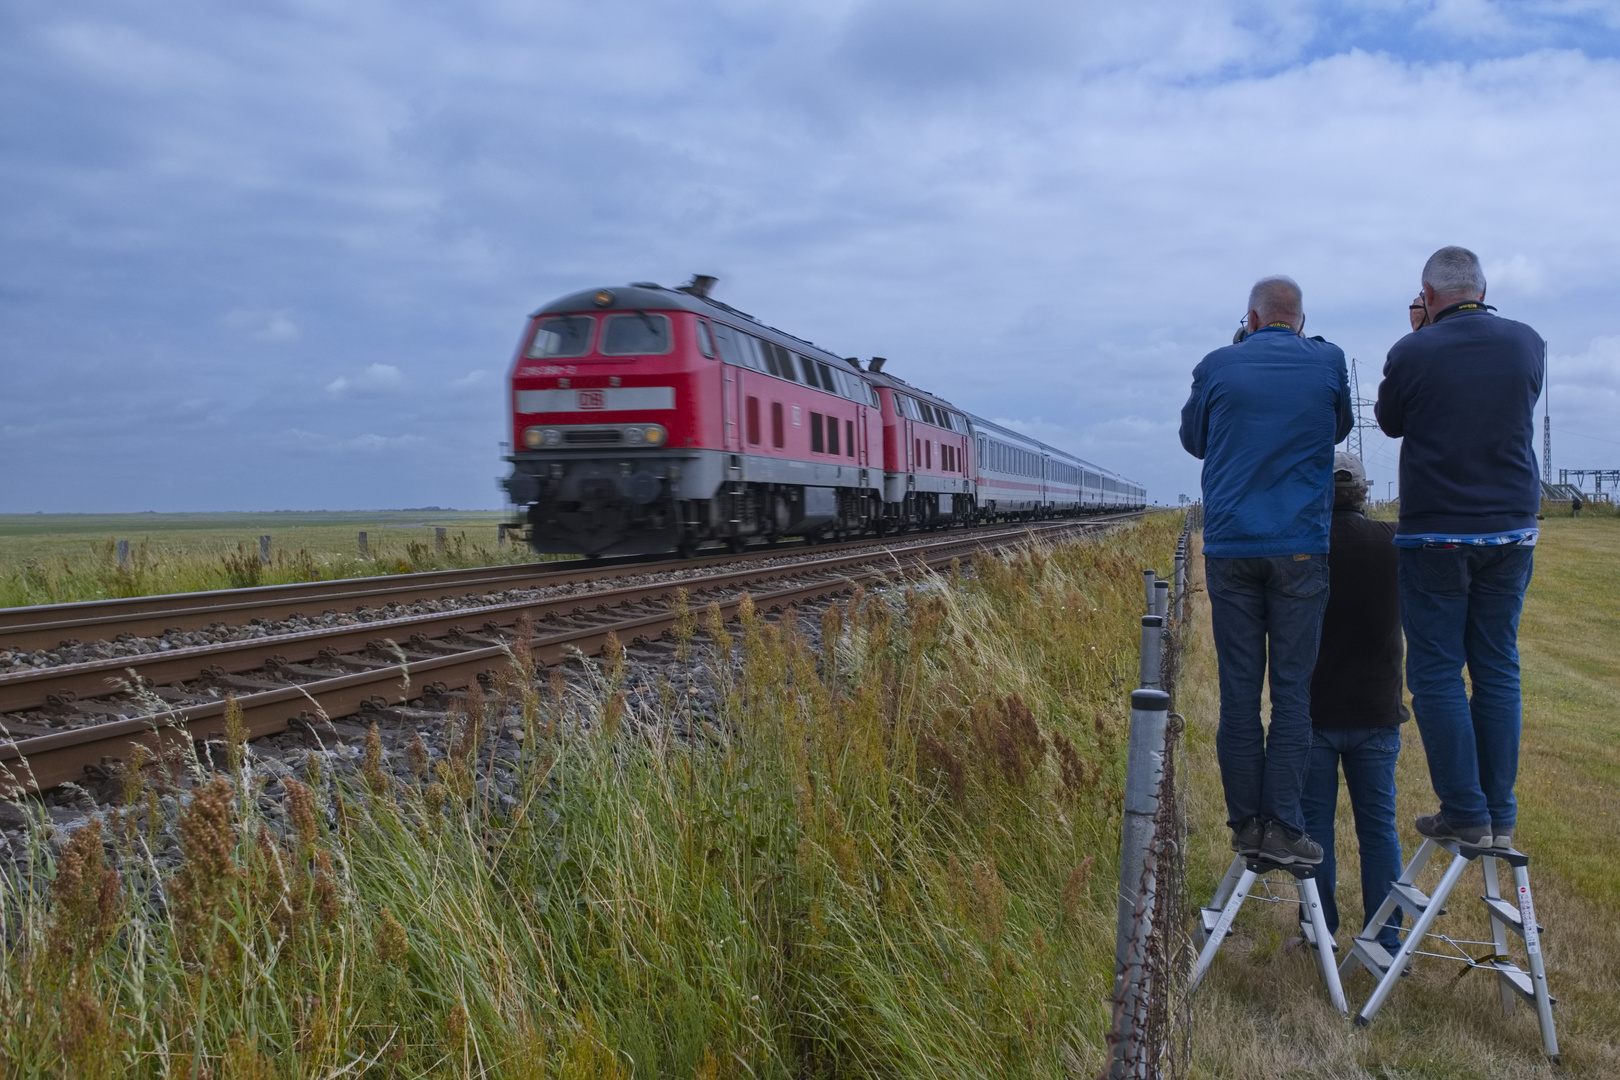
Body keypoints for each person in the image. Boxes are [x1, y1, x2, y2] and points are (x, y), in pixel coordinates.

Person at [1180, 276, 1354, 865]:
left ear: (1250, 319)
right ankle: (1283, 822)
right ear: (1299, 320)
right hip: (1300, 544)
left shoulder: (1217, 364)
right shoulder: (1327, 360)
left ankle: (1245, 823)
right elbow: (1338, 429)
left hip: (1231, 547)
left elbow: (1194, 439)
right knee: (1292, 692)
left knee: (1238, 692)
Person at [1377, 246, 1545, 850]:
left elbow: (1391, 421)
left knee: (1439, 672)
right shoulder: (1528, 342)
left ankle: (1465, 811)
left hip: (1437, 532)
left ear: (1427, 294)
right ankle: (1499, 812)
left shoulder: (1413, 349)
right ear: (1481, 285)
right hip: (1511, 529)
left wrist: (1418, 335)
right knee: (1498, 667)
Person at [1300, 453, 1406, 950]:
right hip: (1377, 710)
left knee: (1315, 826)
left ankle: (1321, 934)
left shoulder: (1307, 546)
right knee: (1379, 830)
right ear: (1365, 493)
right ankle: (1387, 941)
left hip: (1316, 710)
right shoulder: (1392, 543)